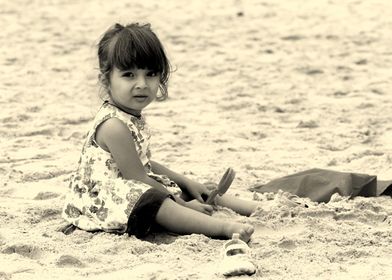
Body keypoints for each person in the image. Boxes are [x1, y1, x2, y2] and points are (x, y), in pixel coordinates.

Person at [62, 22, 257, 242]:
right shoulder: (113, 126)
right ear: (105, 80)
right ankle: (222, 228)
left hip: (128, 188)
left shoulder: (129, 115)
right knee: (159, 200)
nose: (142, 84)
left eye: (151, 74)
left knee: (192, 189)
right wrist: (182, 204)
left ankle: (256, 208)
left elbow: (144, 164)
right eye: (129, 75)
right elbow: (138, 177)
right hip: (102, 203)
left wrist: (185, 182)